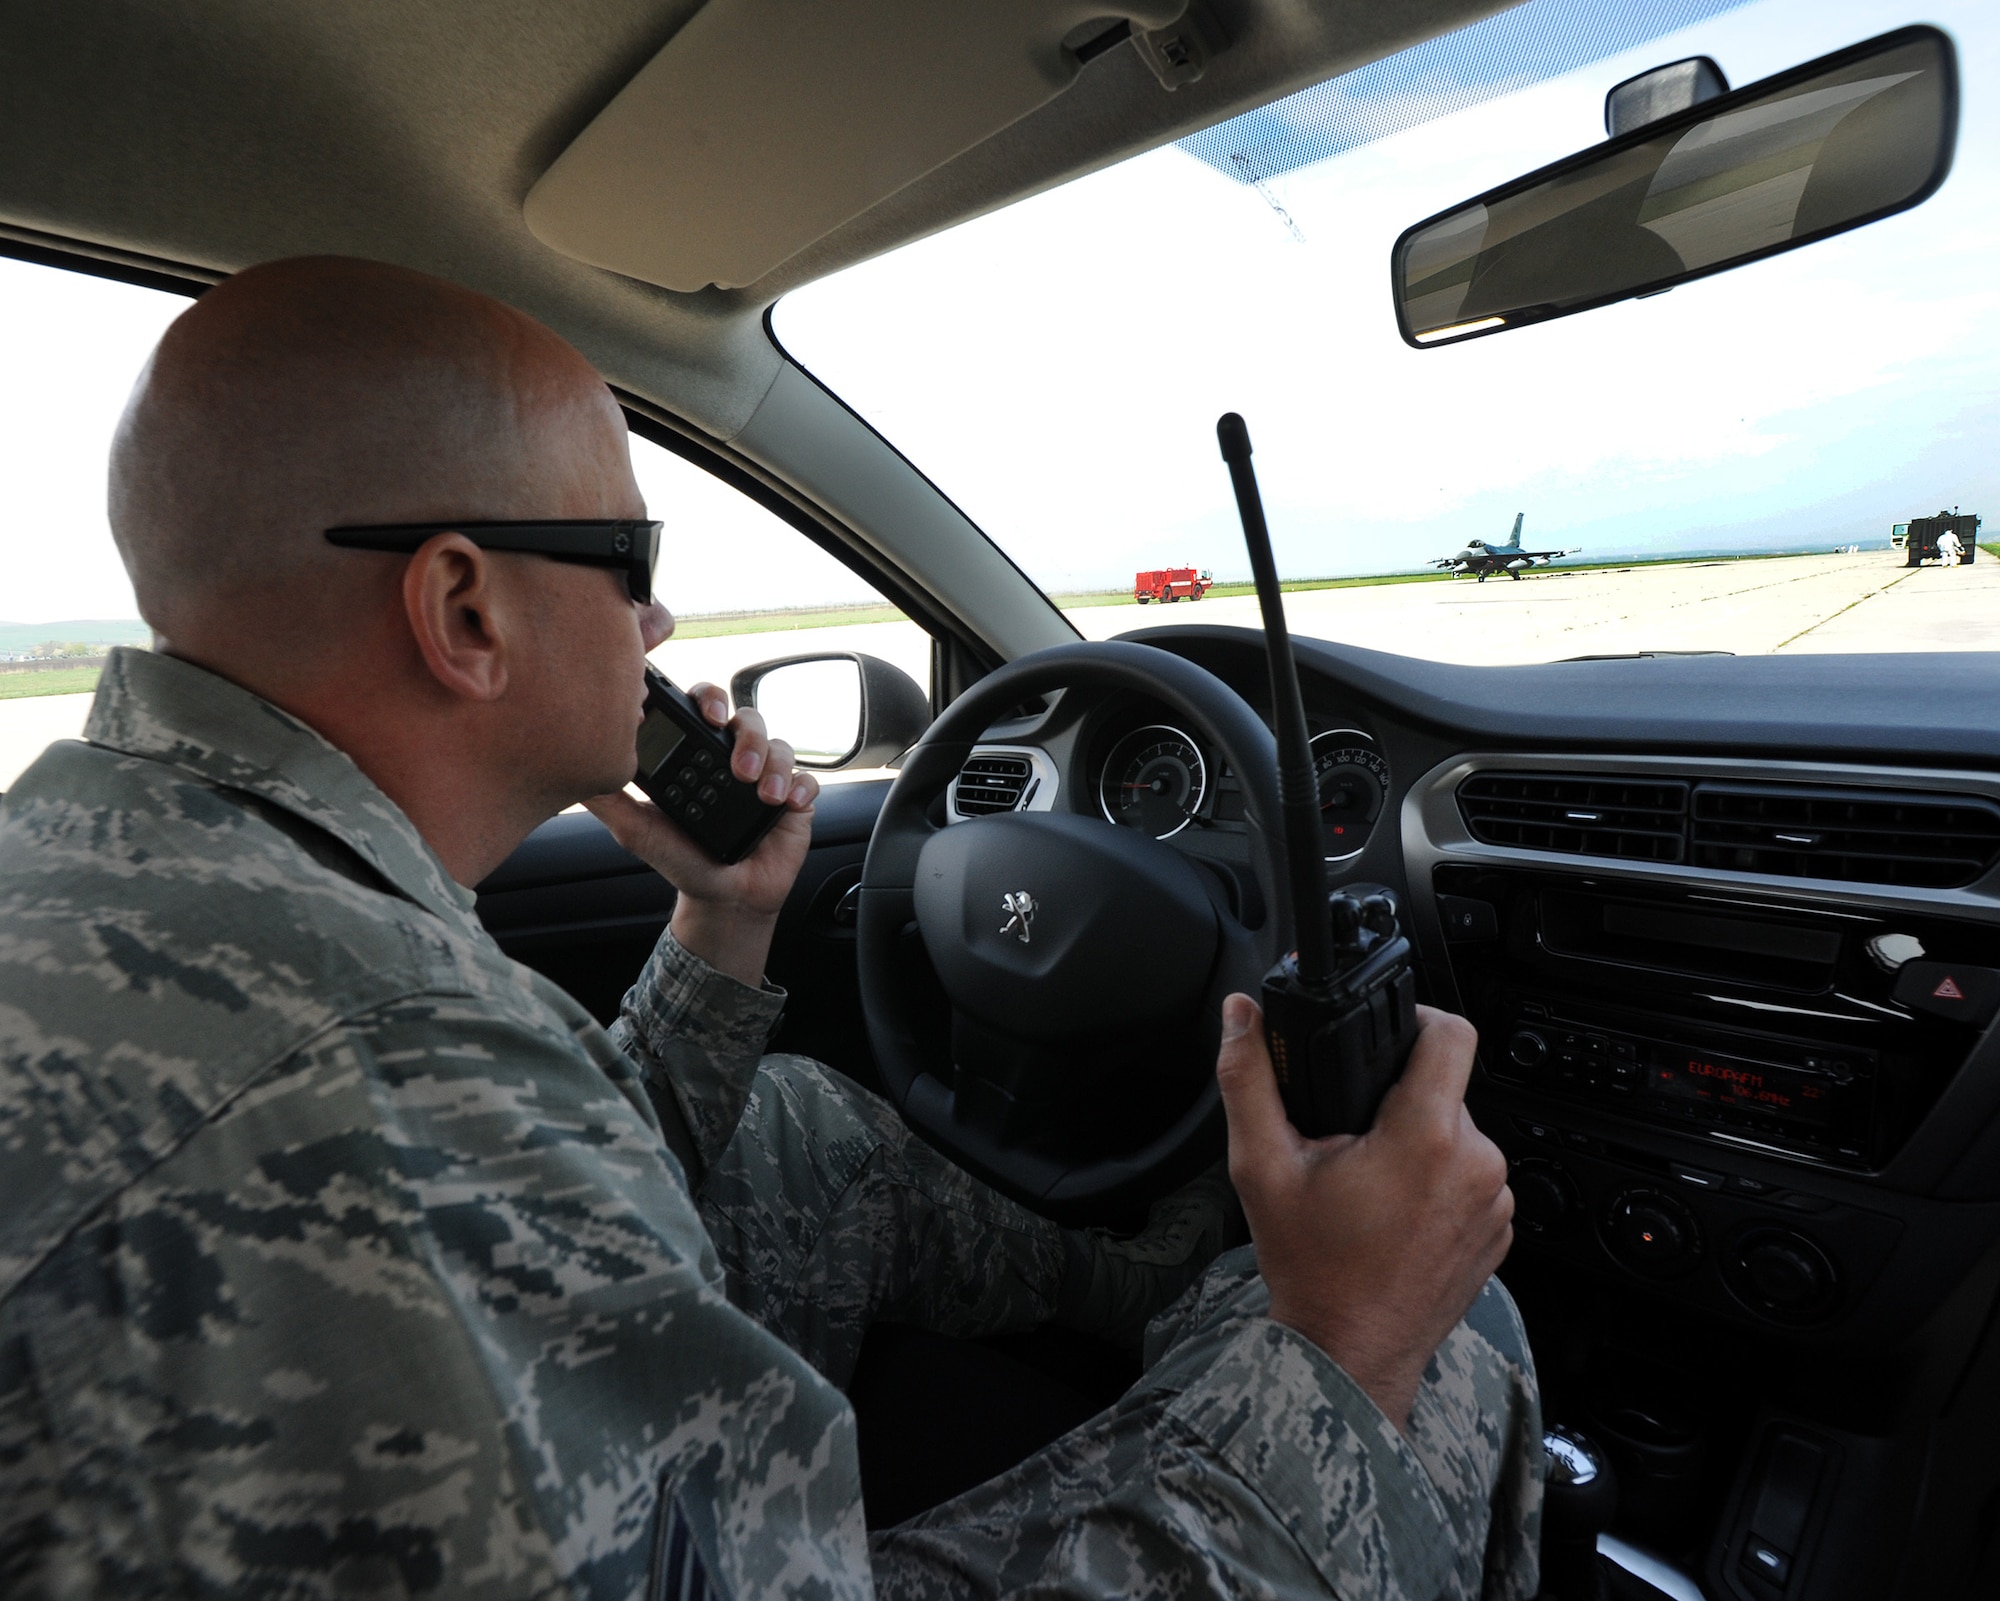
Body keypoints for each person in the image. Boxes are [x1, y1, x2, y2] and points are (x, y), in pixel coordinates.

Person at [0, 257, 1540, 1599]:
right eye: (630, 565)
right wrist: (1339, 1348)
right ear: (464, 610)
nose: (659, 628)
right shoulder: (383, 1065)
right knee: (1456, 1339)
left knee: (797, 1126)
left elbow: (549, 1184)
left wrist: (722, 919)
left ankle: (1144, 1285)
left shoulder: (125, 862)